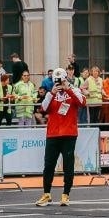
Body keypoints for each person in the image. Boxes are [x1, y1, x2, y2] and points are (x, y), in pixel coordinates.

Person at [35, 68, 86, 207]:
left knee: (68, 165)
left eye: (61, 80)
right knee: (49, 165)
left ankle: (66, 194)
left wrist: (68, 88)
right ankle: (46, 194)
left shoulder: (73, 90)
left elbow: (82, 102)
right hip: (53, 134)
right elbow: (43, 109)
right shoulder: (51, 93)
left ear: (65, 79)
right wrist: (51, 93)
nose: (59, 83)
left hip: (69, 134)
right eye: (56, 81)